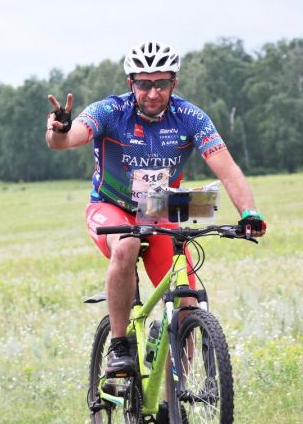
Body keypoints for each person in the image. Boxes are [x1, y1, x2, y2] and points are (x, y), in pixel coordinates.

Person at [45, 40, 265, 377]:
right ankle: (120, 348)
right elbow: (67, 138)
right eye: (144, 83)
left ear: (173, 83)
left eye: (161, 83)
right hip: (111, 207)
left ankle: (172, 413)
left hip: (159, 211)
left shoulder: (190, 117)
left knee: (187, 304)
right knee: (128, 244)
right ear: (130, 83)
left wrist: (249, 213)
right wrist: (59, 130)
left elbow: (227, 168)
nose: (152, 92)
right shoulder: (110, 111)